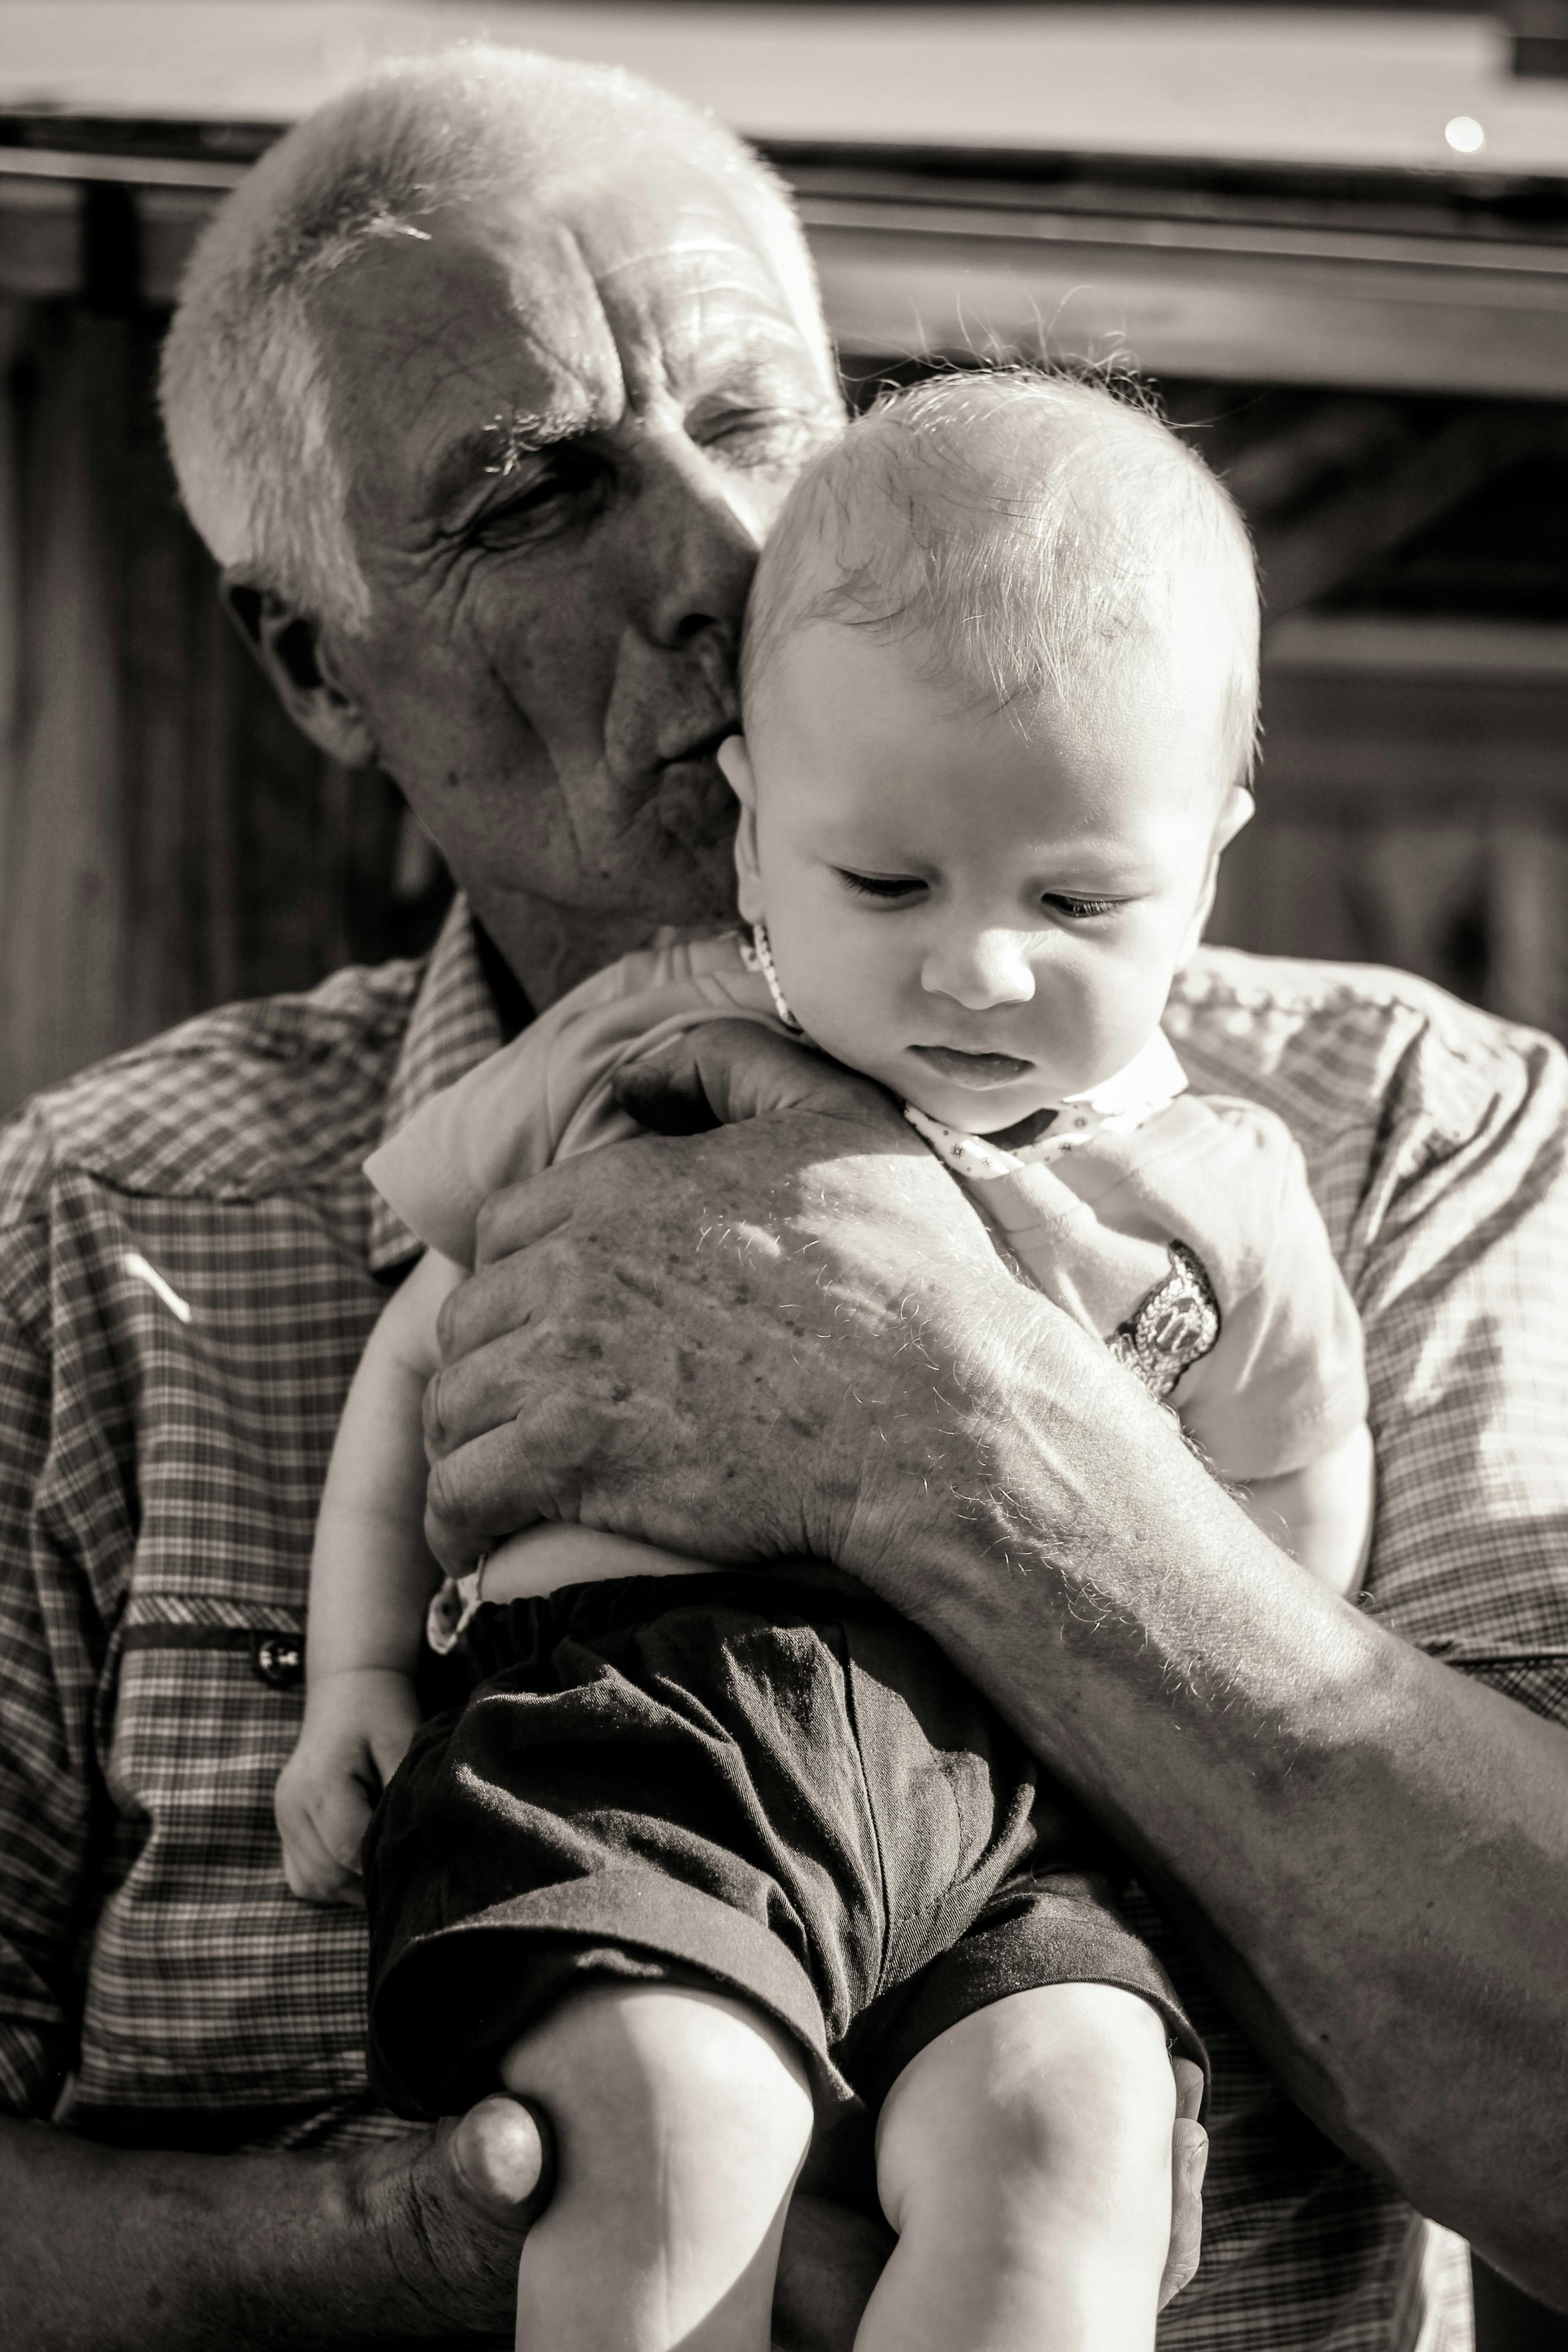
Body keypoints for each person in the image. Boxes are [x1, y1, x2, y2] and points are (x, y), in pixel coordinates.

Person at [0, 39, 1562, 2352]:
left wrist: (965, 1435)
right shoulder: (109, 1233)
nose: (723, 566)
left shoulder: (1398, 1134)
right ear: (314, 663)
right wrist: (406, 2240)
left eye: (760, 426)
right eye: (533, 491)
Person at [279, 371, 1369, 2352]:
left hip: (1022, 1784)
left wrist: (1200, 1778)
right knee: (672, 2129)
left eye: (1077, 900)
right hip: (645, 1728)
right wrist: (356, 1669)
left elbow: (1296, 1489)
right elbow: (424, 1344)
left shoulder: (1214, 1191)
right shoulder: (639, 1057)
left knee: (1075, 2144)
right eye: (887, 887)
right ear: (760, 832)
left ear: (1207, 853)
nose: (976, 967)